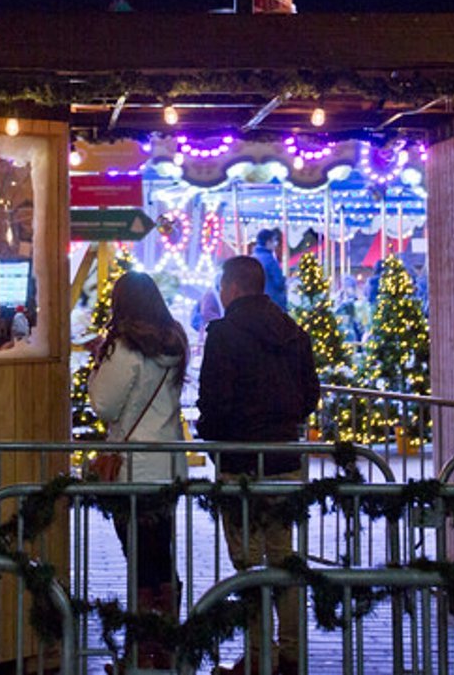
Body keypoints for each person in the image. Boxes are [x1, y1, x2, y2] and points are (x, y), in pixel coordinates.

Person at [197, 254, 319, 675]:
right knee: (283, 558)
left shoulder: (224, 334)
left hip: (240, 463)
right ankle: (290, 653)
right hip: (285, 460)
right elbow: (310, 397)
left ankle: (256, 654)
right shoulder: (293, 333)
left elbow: (213, 403)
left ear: (231, 287)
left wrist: (214, 444)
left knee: (248, 562)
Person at [86, 271, 188, 673]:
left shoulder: (123, 348)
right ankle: (165, 647)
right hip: (167, 467)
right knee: (160, 556)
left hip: (133, 471)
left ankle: (145, 652)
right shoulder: (174, 345)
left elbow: (104, 406)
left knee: (140, 562)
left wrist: (98, 365)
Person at [251, 228, 290, 312]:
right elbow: (278, 282)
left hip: (257, 301)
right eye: (274, 241)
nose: (275, 244)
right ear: (268, 242)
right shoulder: (269, 259)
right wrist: (284, 280)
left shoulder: (253, 257)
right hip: (273, 301)